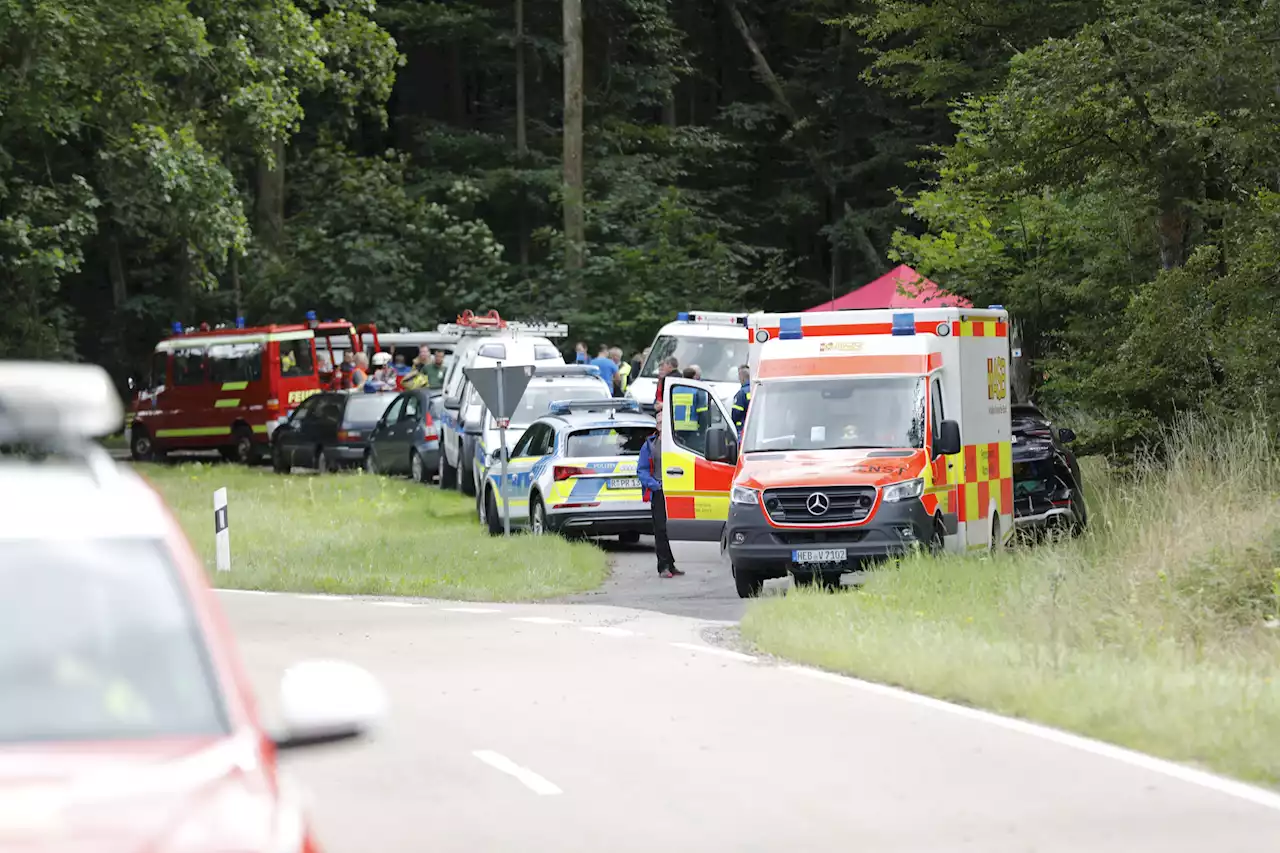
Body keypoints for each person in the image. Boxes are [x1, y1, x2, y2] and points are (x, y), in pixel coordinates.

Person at [636, 409, 683, 579]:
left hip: (676, 491)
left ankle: (671, 564)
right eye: (660, 422)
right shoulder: (650, 445)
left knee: (673, 528)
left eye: (665, 422)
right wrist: (654, 485)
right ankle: (663, 566)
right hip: (659, 492)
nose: (662, 425)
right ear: (657, 425)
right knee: (661, 529)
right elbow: (641, 470)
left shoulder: (677, 442)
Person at [731, 364, 751, 435]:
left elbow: (736, 413)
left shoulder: (742, 393)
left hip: (742, 428)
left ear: (742, 378)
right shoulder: (755, 390)